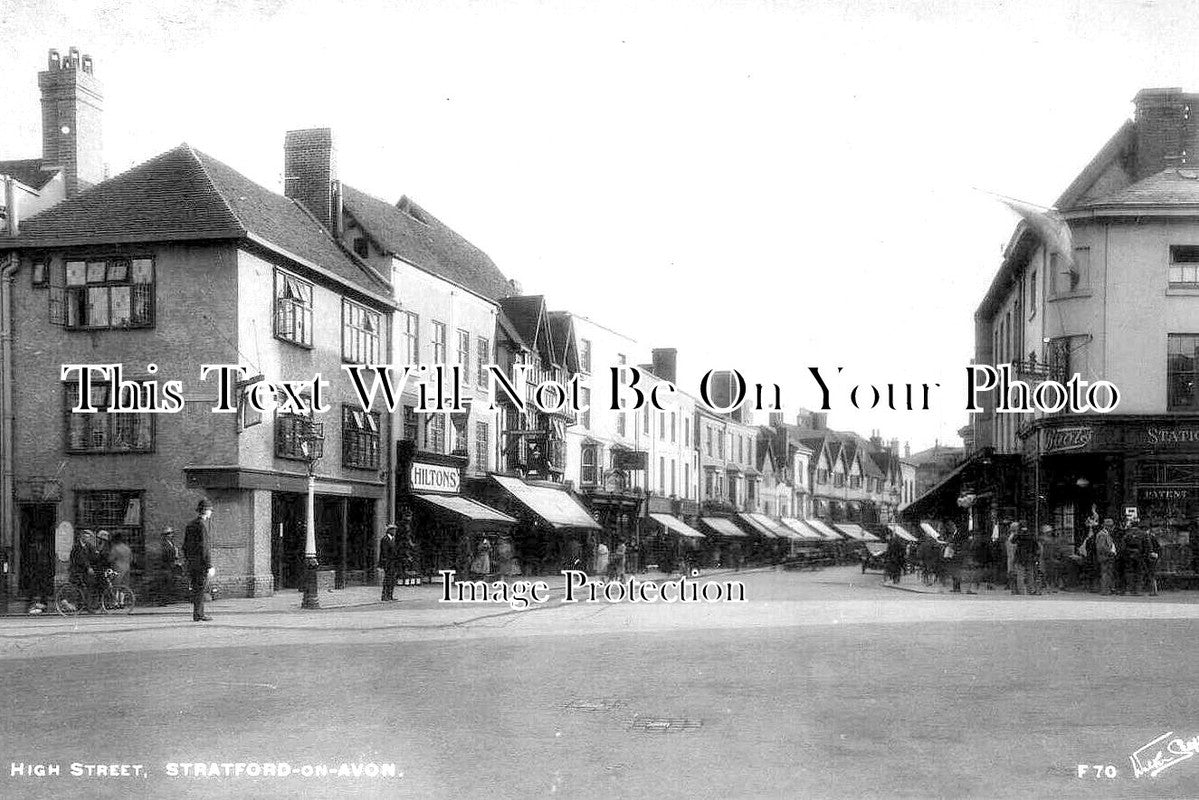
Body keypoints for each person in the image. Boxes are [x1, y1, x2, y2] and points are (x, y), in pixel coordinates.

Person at [183, 499, 214, 622]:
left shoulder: (190, 525)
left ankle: (198, 613)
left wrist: (189, 560)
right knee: (201, 589)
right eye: (210, 510)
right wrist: (209, 565)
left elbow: (185, 546)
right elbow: (204, 547)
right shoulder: (202, 525)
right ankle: (199, 614)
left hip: (192, 563)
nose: (211, 513)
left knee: (196, 589)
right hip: (201, 564)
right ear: (206, 511)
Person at [25, 536, 55, 614]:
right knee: (32, 589)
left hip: (43, 571)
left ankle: (44, 607)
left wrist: (50, 571)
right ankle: (31, 606)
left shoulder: (46, 547)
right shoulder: (31, 547)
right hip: (34, 570)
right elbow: (27, 560)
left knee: (44, 589)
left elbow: (50, 558)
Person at [158, 527, 183, 605]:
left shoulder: (171, 543)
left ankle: (169, 598)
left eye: (171, 533)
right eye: (169, 534)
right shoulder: (164, 544)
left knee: (171, 583)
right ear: (166, 535)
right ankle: (163, 600)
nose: (171, 535)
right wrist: (174, 557)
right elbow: (165, 555)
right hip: (167, 566)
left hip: (171, 565)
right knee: (166, 583)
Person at [1012, 523, 1038, 595]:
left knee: (1020, 574)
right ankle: (1031, 590)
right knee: (1030, 574)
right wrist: (1035, 555)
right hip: (1030, 557)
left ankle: (1021, 591)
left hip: (1020, 557)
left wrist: (1016, 533)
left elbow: (1012, 541)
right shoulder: (1031, 536)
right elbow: (1036, 546)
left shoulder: (1018, 535)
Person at [1095, 517, 1118, 595]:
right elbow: (1101, 547)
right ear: (1107, 527)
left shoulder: (1106, 534)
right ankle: (1105, 590)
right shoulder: (1102, 535)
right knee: (1105, 573)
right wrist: (1110, 552)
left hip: (1107, 557)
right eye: (1111, 526)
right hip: (1105, 557)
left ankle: (1108, 589)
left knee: (1108, 573)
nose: (1112, 528)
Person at [379, 523, 398, 601]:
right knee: (387, 579)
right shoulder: (385, 539)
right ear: (389, 531)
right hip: (388, 563)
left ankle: (390, 595)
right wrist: (384, 562)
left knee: (392, 579)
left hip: (392, 562)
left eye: (395, 530)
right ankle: (384, 596)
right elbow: (384, 552)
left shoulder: (393, 539)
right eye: (393, 530)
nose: (394, 531)